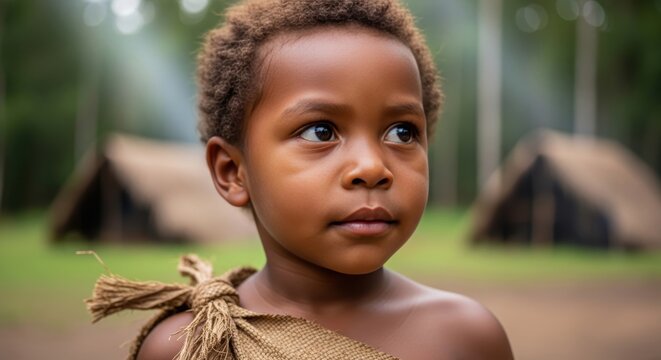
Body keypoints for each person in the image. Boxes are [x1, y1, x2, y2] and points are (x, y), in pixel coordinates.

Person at [88, 0, 514, 359]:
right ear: (232, 171)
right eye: (321, 132)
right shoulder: (197, 345)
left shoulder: (466, 338)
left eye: (402, 132)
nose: (372, 167)